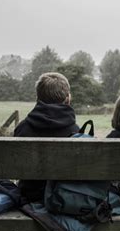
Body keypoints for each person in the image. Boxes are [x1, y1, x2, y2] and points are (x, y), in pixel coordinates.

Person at [14, 72, 79, 203]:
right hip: (62, 200)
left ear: (37, 97)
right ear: (68, 99)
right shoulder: (76, 132)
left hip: (28, 197)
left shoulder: (23, 128)